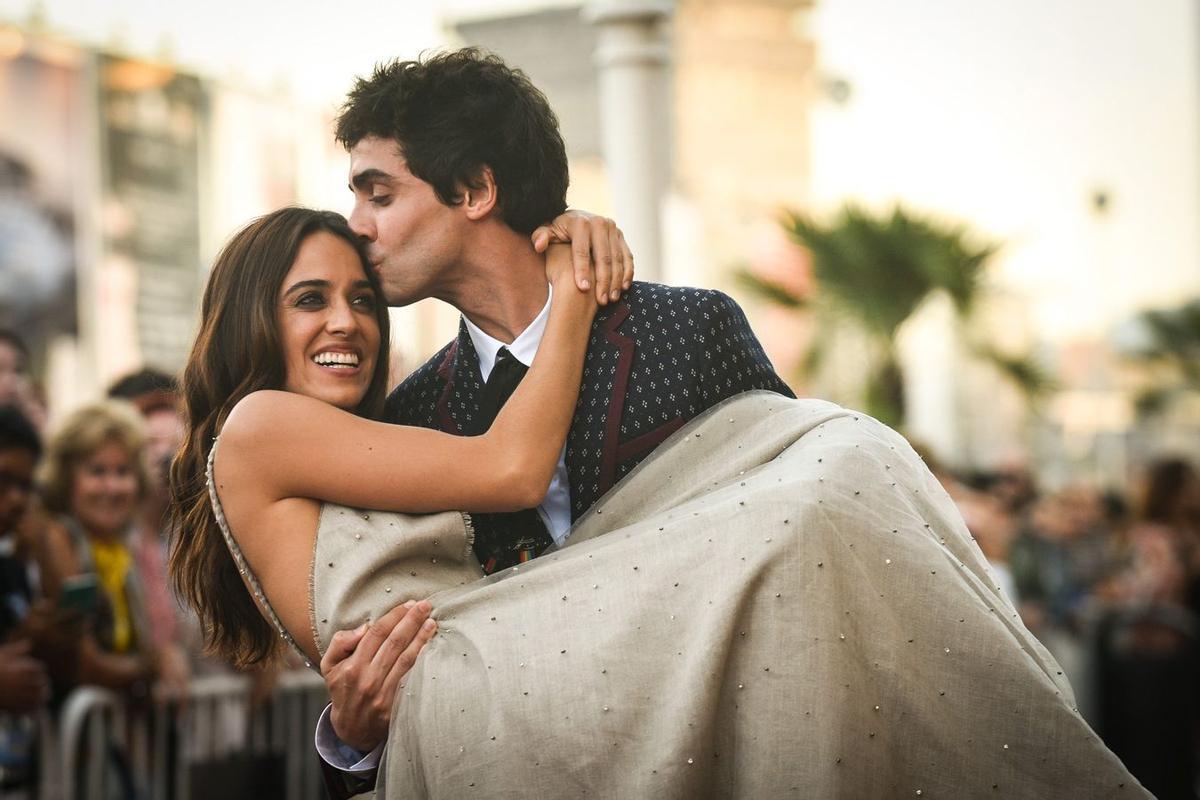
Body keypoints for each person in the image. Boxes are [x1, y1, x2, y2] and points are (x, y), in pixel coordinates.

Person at [171, 206, 1147, 798]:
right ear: (254, 311)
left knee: (845, 488)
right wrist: (574, 294)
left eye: (359, 297)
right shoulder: (260, 424)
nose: (347, 318)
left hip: (505, 697)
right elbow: (512, 468)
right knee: (836, 488)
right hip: (489, 702)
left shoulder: (376, 427)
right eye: (310, 298)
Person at [317, 49, 794, 793]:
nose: (358, 227)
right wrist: (354, 745)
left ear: (475, 189)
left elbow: (796, 552)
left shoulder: (689, 331)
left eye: (378, 194)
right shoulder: (408, 414)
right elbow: (403, 662)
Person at [35, 401, 186, 701]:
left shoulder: (126, 548)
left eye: (123, 472)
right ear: (66, 478)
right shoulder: (57, 538)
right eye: (97, 471)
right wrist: (153, 666)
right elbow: (86, 664)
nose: (112, 487)